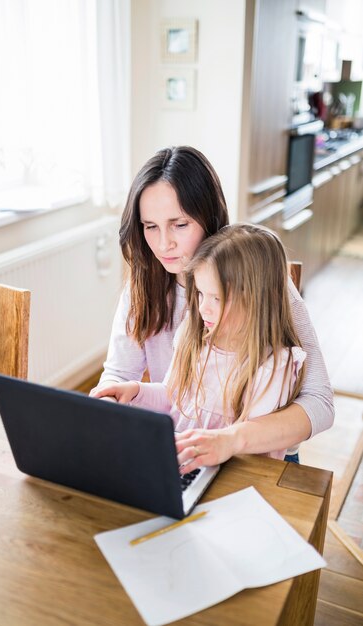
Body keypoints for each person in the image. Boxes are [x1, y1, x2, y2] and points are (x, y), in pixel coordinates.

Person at [90, 146, 334, 465]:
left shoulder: (261, 285)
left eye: (179, 224)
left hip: (255, 459)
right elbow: (121, 376)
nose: (164, 244)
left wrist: (232, 439)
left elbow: (320, 404)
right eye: (150, 226)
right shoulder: (143, 286)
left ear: (209, 217)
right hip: (186, 451)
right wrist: (113, 398)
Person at [93, 224, 307, 463]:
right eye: (200, 294)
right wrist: (136, 391)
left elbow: (261, 453)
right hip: (180, 460)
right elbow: (172, 397)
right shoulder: (192, 334)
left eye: (217, 298)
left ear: (258, 300)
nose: (203, 307)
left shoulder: (274, 365)